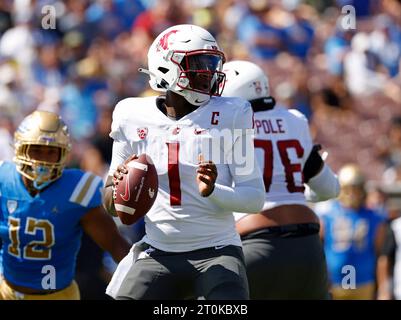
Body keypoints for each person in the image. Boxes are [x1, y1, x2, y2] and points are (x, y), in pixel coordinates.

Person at [103, 24, 265, 300]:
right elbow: (111, 207)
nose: (209, 72)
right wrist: (119, 189)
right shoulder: (131, 115)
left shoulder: (231, 114)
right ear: (166, 67)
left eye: (212, 63)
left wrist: (215, 191)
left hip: (217, 250)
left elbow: (254, 198)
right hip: (158, 251)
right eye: (199, 63)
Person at [222, 60, 340, 299]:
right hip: (308, 248)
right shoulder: (295, 119)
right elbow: (330, 188)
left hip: (255, 244)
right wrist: (303, 194)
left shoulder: (225, 125)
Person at [0, 110, 130, 300]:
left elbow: (116, 245)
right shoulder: (4, 181)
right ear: (20, 149)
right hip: (7, 291)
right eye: (36, 149)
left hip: (57, 295)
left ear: (64, 154)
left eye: (51, 152)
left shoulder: (78, 190)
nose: (42, 159)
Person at [317, 164, 387, 300]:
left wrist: (383, 287)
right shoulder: (327, 214)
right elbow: (318, 250)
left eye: (356, 189)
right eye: (348, 189)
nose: (352, 194)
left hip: (363, 282)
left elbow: (380, 254)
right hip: (334, 283)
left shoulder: (374, 217)